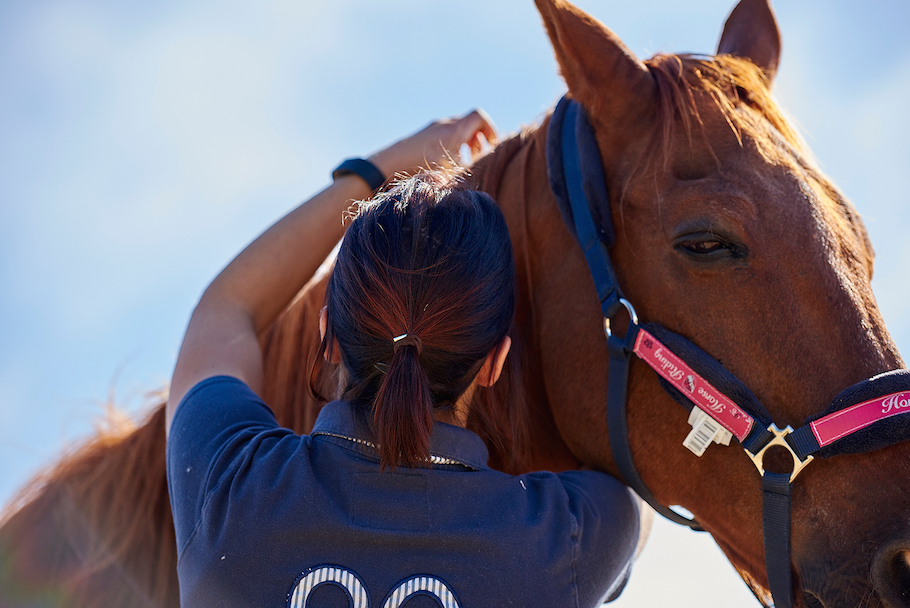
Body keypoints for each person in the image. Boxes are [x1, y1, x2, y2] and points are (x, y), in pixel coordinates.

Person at [165, 110, 642, 608]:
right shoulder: (564, 544)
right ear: (494, 364)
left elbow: (225, 308)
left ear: (327, 335)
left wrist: (379, 169)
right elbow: (629, 477)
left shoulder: (230, 490)